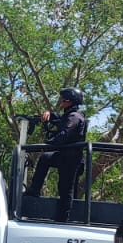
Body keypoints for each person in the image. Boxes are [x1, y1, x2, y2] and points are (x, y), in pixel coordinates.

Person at [22, 87, 87, 222]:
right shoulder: (68, 114)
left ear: (69, 100)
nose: (61, 101)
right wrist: (48, 114)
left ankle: (63, 219)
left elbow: (63, 136)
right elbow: (58, 117)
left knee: (65, 189)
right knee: (45, 158)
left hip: (72, 159)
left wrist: (46, 144)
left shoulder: (75, 117)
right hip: (65, 157)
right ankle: (34, 189)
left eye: (63, 99)